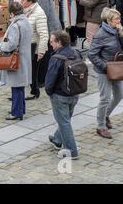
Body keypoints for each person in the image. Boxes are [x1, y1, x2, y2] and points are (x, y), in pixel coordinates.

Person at [88, 8, 123, 139]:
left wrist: (122, 34)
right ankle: (101, 126)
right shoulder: (100, 34)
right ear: (109, 21)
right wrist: (105, 67)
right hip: (104, 71)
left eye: (119, 18)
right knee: (105, 98)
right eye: (117, 19)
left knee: (119, 94)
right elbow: (91, 54)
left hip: (117, 68)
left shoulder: (117, 31)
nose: (119, 21)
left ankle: (106, 115)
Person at [45, 30, 80, 160]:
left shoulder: (56, 58)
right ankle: (57, 139)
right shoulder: (76, 53)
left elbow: (50, 79)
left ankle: (72, 150)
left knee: (64, 121)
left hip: (60, 96)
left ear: (59, 43)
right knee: (65, 119)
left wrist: (49, 92)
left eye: (52, 42)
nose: (51, 45)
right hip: (74, 93)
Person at [0, 2, 32, 120]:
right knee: (20, 86)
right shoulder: (26, 22)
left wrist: (2, 46)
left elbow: (12, 44)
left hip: (16, 60)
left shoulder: (15, 26)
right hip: (25, 57)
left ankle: (16, 112)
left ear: (12, 13)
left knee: (16, 86)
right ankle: (20, 109)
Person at [19, 0, 48, 100]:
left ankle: (34, 92)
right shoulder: (27, 10)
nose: (21, 2)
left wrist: (41, 51)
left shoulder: (39, 13)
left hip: (34, 48)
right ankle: (32, 91)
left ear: (29, 1)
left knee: (32, 71)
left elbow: (44, 34)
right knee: (28, 71)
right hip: (26, 47)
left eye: (23, 0)